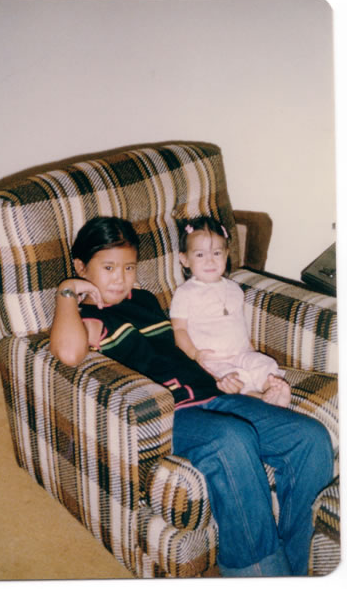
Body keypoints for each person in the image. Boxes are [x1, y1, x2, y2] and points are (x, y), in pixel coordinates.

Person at [49, 215, 334, 577]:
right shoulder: (89, 315)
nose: (120, 278)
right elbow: (69, 353)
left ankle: (292, 572)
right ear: (81, 267)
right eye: (108, 267)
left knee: (309, 438)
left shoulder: (147, 300)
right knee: (231, 438)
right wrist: (68, 291)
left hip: (213, 393)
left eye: (129, 267)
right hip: (172, 414)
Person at [170, 216, 291, 407]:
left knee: (264, 364)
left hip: (241, 352)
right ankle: (257, 397)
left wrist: (251, 349)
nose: (210, 261)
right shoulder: (185, 293)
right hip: (212, 360)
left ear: (226, 254)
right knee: (234, 377)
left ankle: (272, 388)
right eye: (200, 255)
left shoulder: (234, 289)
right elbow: (179, 330)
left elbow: (238, 322)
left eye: (217, 253)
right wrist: (194, 354)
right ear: (184, 259)